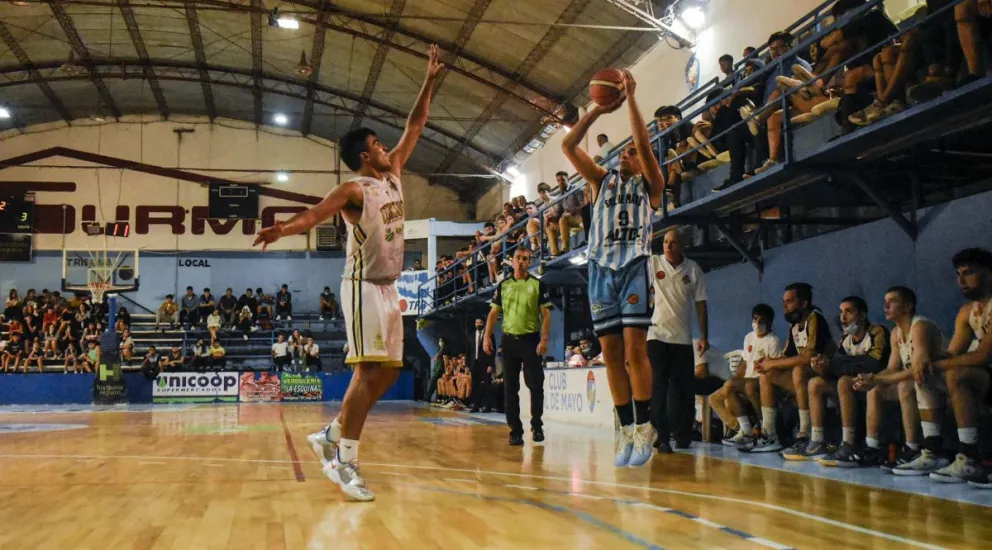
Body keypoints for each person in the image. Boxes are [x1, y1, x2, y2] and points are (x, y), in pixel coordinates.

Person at [255, 45, 444, 502]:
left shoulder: (394, 174)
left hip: (388, 288)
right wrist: (282, 228)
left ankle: (331, 433)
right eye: (378, 145)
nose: (387, 148)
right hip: (361, 288)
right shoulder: (353, 189)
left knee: (389, 373)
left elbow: (414, 125)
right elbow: (315, 215)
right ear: (365, 156)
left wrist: (430, 81)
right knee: (366, 373)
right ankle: (344, 459)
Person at [561, 69, 664, 467]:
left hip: (634, 266)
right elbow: (570, 147)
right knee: (610, 353)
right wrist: (596, 112)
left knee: (635, 352)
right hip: (601, 270)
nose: (626, 153)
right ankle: (623, 428)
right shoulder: (601, 181)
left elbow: (643, 142)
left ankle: (645, 426)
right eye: (623, 151)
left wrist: (632, 98)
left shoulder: (650, 184)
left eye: (631, 153)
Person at [854, 287, 947, 476]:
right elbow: (892, 369)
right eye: (884, 301)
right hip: (917, 386)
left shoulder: (920, 326)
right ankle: (873, 447)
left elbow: (917, 369)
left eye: (892, 301)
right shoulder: (896, 332)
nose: (886, 305)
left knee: (906, 384)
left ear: (907, 306)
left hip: (940, 384)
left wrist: (876, 378)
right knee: (876, 390)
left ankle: (912, 449)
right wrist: (871, 380)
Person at [930, 249, 992, 485]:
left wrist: (941, 363)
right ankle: (930, 449)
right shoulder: (967, 312)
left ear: (989, 274)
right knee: (924, 375)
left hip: (986, 371)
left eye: (968, 273)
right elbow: (954, 352)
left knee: (957, 374)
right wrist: (927, 358)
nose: (961, 280)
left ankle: (970, 456)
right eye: (958, 274)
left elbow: (982, 357)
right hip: (987, 379)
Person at [747, 283, 833, 453]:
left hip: (828, 375)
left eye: (790, 301)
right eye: (784, 301)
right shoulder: (793, 326)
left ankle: (805, 433)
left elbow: (809, 357)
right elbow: (787, 357)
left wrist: (773, 362)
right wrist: (768, 362)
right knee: (767, 374)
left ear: (803, 303)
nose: (785, 306)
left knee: (798, 370)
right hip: (805, 379)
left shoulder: (815, 319)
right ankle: (769, 434)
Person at [806, 296, 890, 463]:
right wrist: (823, 367)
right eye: (841, 312)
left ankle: (849, 443)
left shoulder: (877, 332)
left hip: (875, 385)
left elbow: (873, 364)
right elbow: (836, 368)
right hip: (853, 387)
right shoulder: (846, 340)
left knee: (844, 381)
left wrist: (837, 364)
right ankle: (817, 440)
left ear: (863, 315)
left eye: (849, 312)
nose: (843, 318)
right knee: (815, 383)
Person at [482, 246, 552, 445]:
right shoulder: (503, 286)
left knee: (536, 385)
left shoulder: (538, 285)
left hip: (531, 341)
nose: (521, 261)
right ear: (511, 261)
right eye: (518, 258)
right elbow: (493, 314)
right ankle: (515, 431)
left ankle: (537, 425)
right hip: (509, 342)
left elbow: (546, 315)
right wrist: (487, 337)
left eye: (525, 258)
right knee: (510, 388)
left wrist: (544, 339)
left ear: (529, 262)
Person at [647, 229, 709, 451]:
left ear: (682, 245)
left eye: (673, 242)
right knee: (659, 388)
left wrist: (704, 335)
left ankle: (683, 434)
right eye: (665, 242)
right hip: (656, 336)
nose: (668, 246)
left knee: (682, 389)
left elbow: (701, 304)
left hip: (682, 339)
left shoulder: (693, 270)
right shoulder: (653, 263)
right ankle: (662, 436)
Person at [709, 304, 780, 446]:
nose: (758, 324)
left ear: (770, 323)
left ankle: (762, 427)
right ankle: (745, 429)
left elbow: (774, 369)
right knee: (718, 396)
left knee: (743, 386)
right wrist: (735, 379)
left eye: (762, 321)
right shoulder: (749, 337)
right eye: (755, 320)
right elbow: (745, 362)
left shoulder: (773, 341)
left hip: (759, 382)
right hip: (745, 382)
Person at [468, 317, 494, 413]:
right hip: (474, 364)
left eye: (480, 322)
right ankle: (475, 405)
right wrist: (467, 365)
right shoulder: (471, 336)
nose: (478, 324)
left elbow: (492, 351)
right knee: (475, 385)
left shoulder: (490, 336)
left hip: (485, 364)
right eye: (476, 322)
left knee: (486, 385)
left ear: (483, 323)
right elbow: (468, 352)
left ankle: (487, 405)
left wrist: (491, 365)